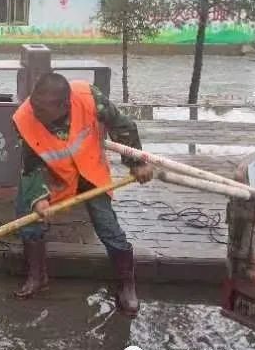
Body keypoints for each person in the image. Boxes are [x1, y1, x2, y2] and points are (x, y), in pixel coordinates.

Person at [11, 73, 154, 317]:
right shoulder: (24, 118)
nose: (36, 114)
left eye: (43, 111)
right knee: (29, 218)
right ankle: (37, 276)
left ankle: (126, 285)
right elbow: (31, 164)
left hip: (89, 171)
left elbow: (123, 127)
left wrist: (136, 163)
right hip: (55, 176)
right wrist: (39, 197)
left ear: (64, 105)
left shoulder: (90, 98)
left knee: (107, 226)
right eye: (34, 106)